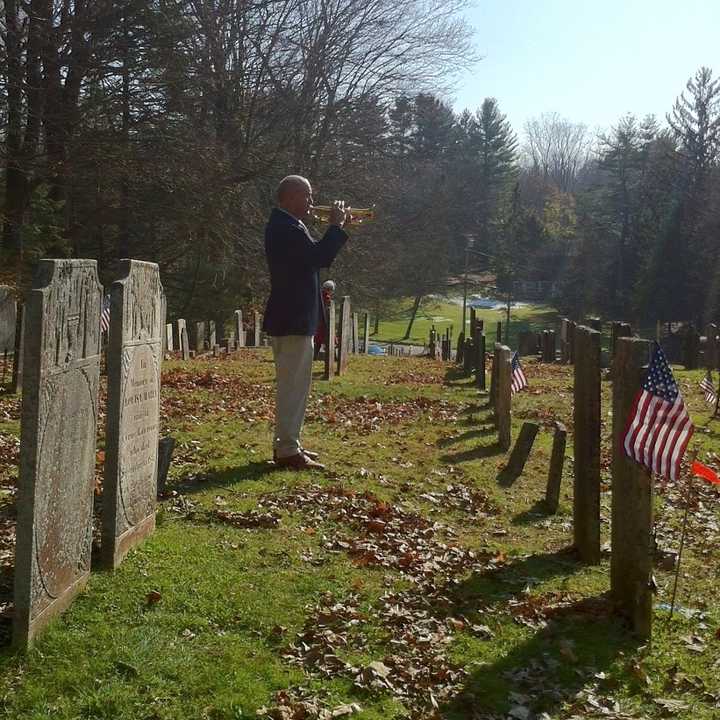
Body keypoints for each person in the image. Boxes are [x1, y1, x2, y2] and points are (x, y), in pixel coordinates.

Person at [262, 175, 351, 470]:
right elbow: (320, 256)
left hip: (294, 317)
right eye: (307, 196)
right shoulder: (285, 228)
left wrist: (338, 228)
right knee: (293, 388)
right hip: (292, 318)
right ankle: (287, 450)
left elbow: (313, 257)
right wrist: (336, 226)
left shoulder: (290, 226)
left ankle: (290, 445)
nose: (312, 202)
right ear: (288, 197)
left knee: (296, 387)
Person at [314, 280, 336, 359]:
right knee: (328, 339)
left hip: (319, 321)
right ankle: (333, 357)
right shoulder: (326, 297)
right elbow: (327, 310)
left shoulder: (318, 295)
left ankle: (315, 356)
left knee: (319, 340)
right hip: (324, 321)